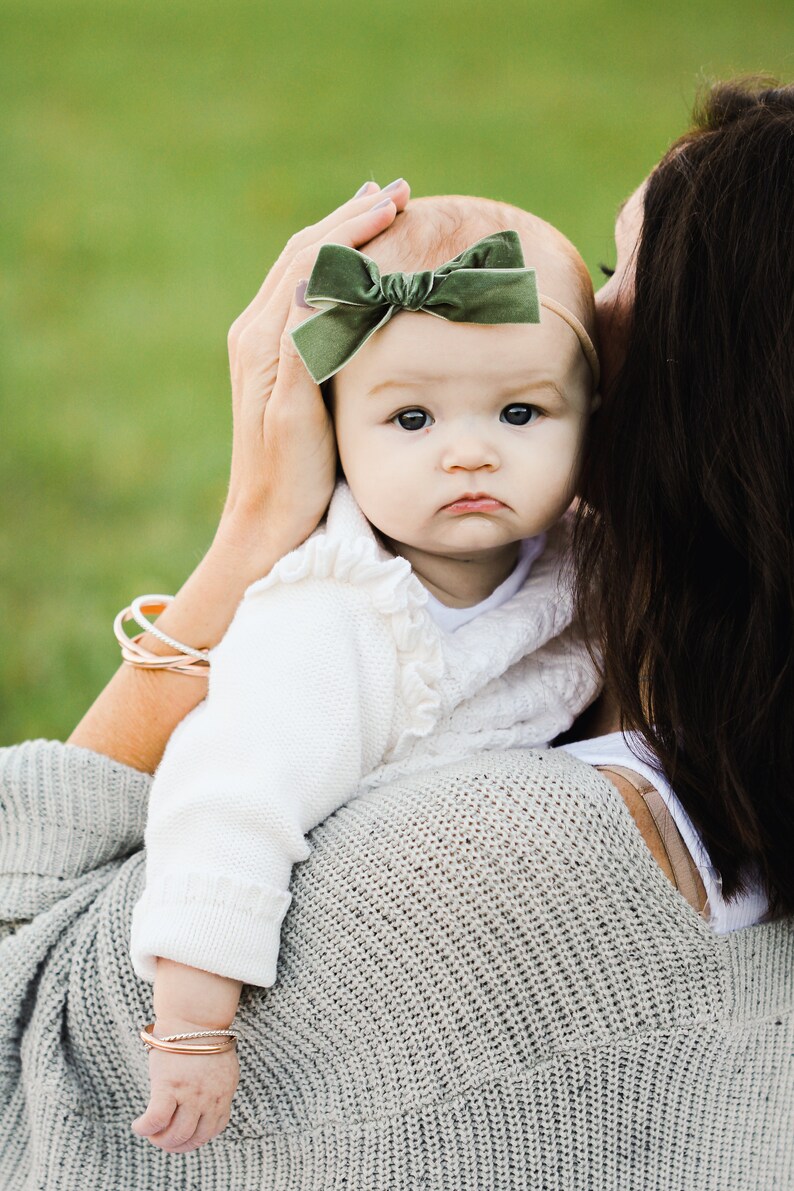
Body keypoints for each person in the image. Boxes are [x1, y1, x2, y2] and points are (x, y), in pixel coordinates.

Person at [1, 80, 792, 1190]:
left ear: (703, 394)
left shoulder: (455, 877)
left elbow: (21, 1045)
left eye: (618, 278)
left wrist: (246, 541)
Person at [126, 196, 603, 1149]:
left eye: (520, 411)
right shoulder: (332, 616)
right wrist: (192, 1023)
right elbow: (228, 802)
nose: (469, 451)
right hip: (315, 1001)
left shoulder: (583, 567)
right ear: (332, 429)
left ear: (592, 416)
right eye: (412, 418)